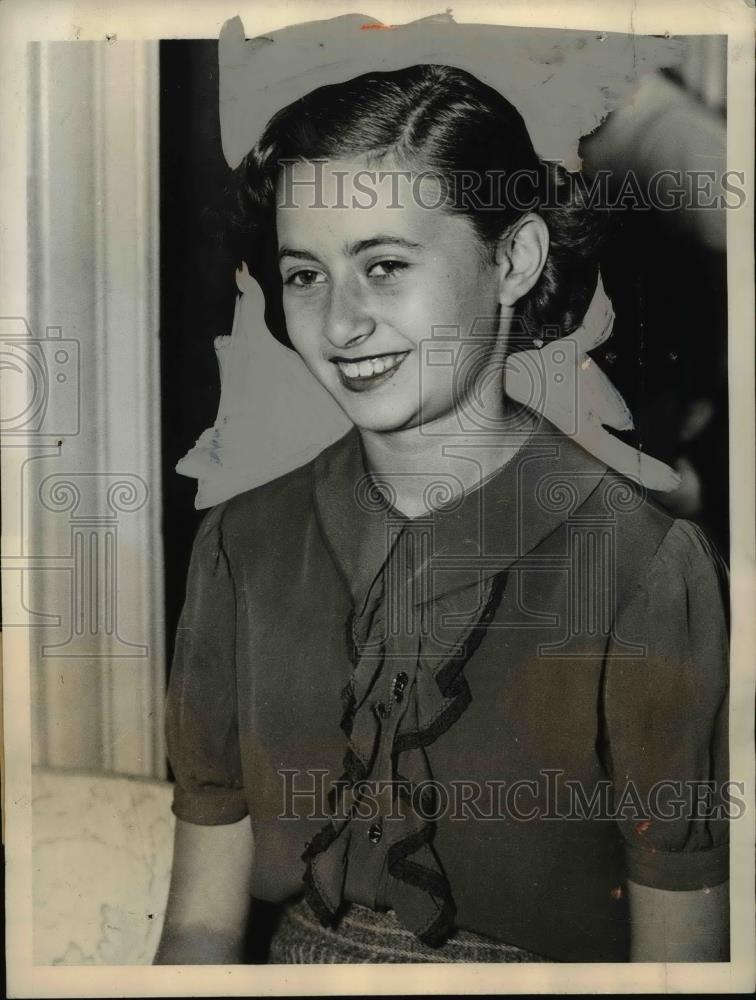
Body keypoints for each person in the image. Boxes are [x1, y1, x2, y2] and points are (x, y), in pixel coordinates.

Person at [154, 31, 730, 966]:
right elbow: (198, 925)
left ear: (514, 261)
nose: (340, 323)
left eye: (385, 266)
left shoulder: (645, 571)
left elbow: (679, 963)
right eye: (307, 274)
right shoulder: (239, 547)